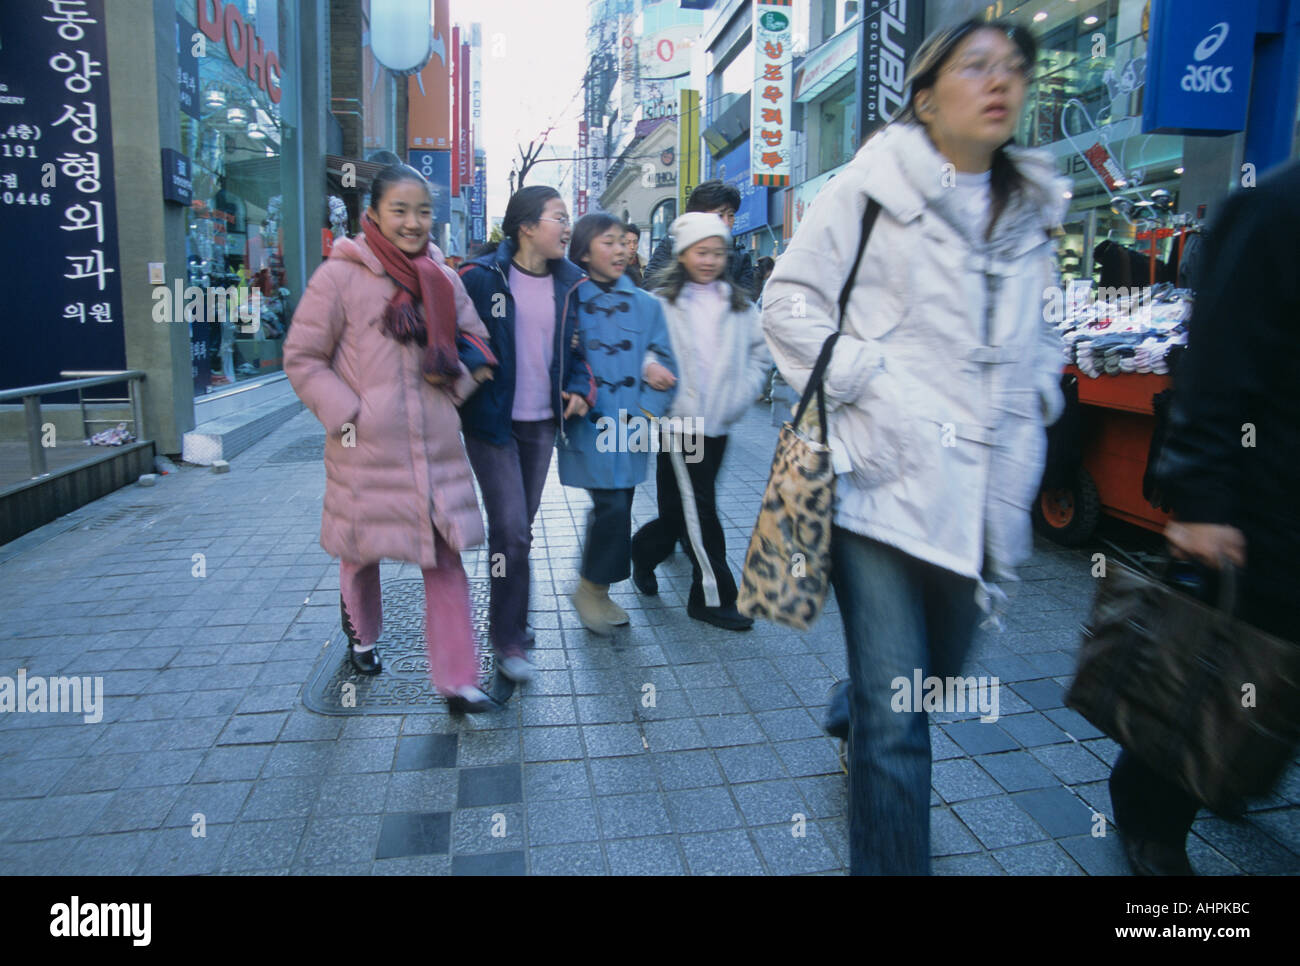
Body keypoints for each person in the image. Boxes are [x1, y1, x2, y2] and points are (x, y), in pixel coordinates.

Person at [762, 19, 1066, 874]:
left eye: (1013, 67)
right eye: (977, 66)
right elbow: (787, 304)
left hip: (981, 498)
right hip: (878, 484)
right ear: (926, 95)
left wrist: (1033, 396)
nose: (1000, 79)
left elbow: (1041, 342)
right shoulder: (869, 189)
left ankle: (854, 701)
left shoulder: (1034, 214)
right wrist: (872, 384)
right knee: (902, 721)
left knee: (924, 681)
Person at [1108, 158, 1300, 876]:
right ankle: (1151, 814)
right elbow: (1215, 363)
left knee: (1265, 682)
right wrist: (1204, 504)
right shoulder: (1277, 210)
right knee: (1211, 667)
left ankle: (1238, 769)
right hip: (1266, 504)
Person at [284, 163, 499, 715]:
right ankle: (362, 638)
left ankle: (458, 680)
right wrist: (348, 416)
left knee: (444, 557)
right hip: (365, 453)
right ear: (372, 214)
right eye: (399, 210)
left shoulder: (443, 278)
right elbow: (303, 357)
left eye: (422, 211)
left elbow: (478, 343)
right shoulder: (339, 277)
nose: (412, 222)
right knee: (360, 554)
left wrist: (451, 393)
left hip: (435, 453)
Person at [457, 186, 596, 683]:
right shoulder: (480, 277)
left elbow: (578, 353)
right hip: (492, 424)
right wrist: (478, 361)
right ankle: (508, 638)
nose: (567, 226)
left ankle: (512, 617)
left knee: (519, 531)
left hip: (541, 424)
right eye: (559, 217)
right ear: (526, 227)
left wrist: (580, 388)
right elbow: (455, 334)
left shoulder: (571, 283)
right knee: (511, 531)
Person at [633, 212, 771, 631]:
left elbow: (760, 355)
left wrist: (742, 394)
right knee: (702, 511)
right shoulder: (660, 301)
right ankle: (712, 596)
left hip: (720, 423)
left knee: (684, 511)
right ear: (683, 253)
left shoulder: (740, 304)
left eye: (717, 252)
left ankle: (641, 551)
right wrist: (649, 367)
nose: (709, 260)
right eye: (700, 251)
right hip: (679, 422)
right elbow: (637, 346)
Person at [559, 213, 677, 634]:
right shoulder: (567, 299)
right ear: (585, 251)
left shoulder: (648, 305)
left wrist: (646, 413)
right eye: (606, 243)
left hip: (631, 424)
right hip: (588, 424)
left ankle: (599, 590)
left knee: (619, 505)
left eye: (623, 242)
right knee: (611, 506)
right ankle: (590, 588)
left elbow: (666, 361)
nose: (619, 250)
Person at [643, 180, 757, 299]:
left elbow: (746, 301)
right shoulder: (671, 245)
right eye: (719, 215)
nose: (726, 222)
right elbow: (651, 287)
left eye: (731, 215)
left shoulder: (741, 257)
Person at [623, 222, 644, 287]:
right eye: (628, 242)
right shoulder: (616, 267)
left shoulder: (645, 266)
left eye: (635, 242)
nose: (632, 246)